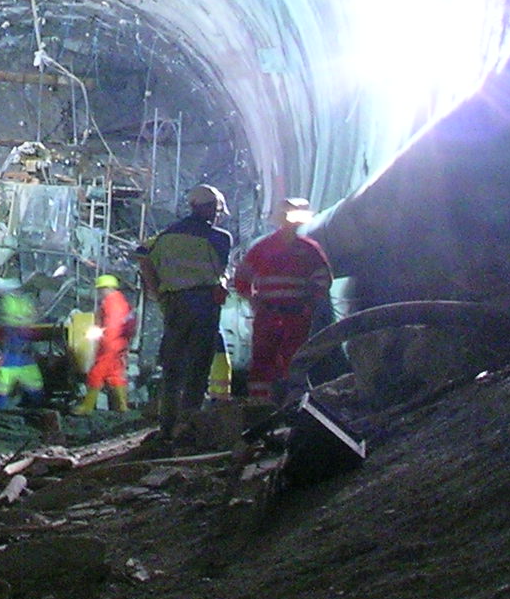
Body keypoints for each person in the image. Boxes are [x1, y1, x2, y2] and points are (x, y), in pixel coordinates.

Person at [141, 185, 234, 439]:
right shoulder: (220, 238)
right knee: (198, 364)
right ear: (207, 208)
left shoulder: (165, 236)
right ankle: (188, 422)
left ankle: (167, 424)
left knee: (173, 365)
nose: (216, 214)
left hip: (173, 303)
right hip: (204, 302)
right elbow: (220, 268)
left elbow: (142, 256)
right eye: (214, 209)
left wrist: (157, 292)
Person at [234, 197, 334, 402]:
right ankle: (260, 404)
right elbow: (242, 278)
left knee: (295, 360)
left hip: (296, 314)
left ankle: (293, 403)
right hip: (269, 313)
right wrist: (253, 301)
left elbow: (323, 280)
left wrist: (309, 304)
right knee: (264, 359)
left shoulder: (309, 249)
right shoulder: (264, 248)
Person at [76, 272, 132, 415]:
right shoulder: (122, 301)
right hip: (118, 344)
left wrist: (102, 338)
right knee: (115, 375)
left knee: (96, 373)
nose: (99, 293)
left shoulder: (112, 302)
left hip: (110, 345)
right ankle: (123, 407)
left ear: (107, 288)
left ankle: (86, 407)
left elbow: (113, 325)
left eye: (100, 289)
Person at [0, 278, 45, 410]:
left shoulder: (13, 301)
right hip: (18, 347)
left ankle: (0, 407)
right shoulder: (18, 301)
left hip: (19, 348)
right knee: (27, 380)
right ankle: (36, 405)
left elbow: (12, 319)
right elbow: (25, 319)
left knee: (15, 380)